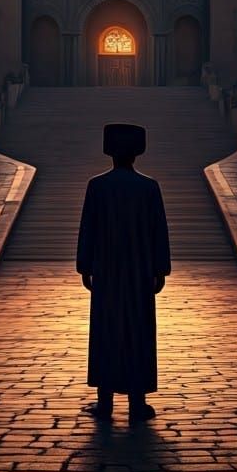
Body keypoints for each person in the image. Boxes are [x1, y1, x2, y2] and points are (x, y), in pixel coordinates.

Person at [76, 122, 171, 423]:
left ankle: (104, 401)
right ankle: (137, 401)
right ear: (136, 154)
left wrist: (85, 266)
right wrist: (160, 268)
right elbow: (159, 231)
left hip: (107, 270)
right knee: (138, 332)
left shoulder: (98, 186)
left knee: (106, 331)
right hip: (140, 271)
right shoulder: (149, 187)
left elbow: (87, 229)